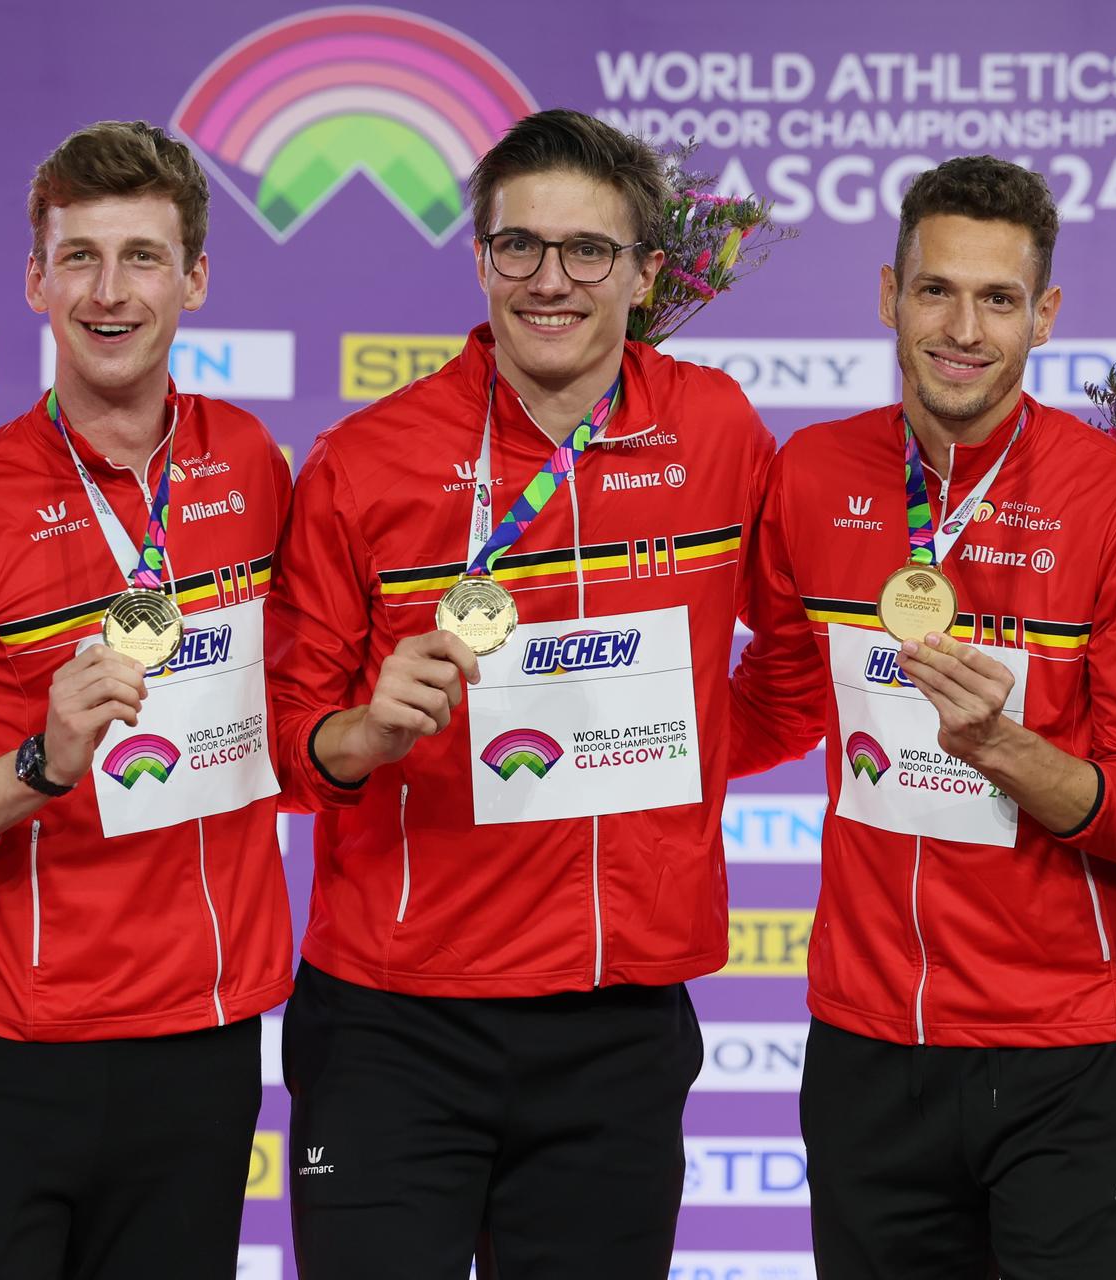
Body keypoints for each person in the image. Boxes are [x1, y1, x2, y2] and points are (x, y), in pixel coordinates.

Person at [265, 108, 774, 1277]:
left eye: (588, 250)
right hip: (396, 1019)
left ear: (648, 272)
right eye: (520, 248)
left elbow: (793, 665)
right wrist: (366, 728)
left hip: (618, 1017)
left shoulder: (715, 430)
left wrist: (674, 750)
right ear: (481, 256)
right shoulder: (365, 458)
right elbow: (291, 745)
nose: (552, 281)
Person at [729, 155, 1116, 1278]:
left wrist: (1006, 749)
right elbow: (781, 705)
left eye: (997, 299)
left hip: (1070, 1050)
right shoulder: (809, 472)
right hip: (866, 1040)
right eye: (935, 290)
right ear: (888, 295)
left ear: (1043, 315)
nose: (962, 327)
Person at [0, 120, 291, 1278]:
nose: (109, 290)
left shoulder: (250, 466)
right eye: (78, 256)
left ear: (194, 277)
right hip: (1, 1050)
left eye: (142, 256)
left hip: (201, 1044)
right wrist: (38, 760)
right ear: (36, 280)